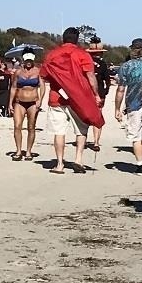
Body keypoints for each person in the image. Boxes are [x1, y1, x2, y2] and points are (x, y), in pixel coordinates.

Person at [39, 27, 105, 174]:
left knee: (59, 132)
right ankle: (78, 159)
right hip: (79, 97)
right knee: (81, 129)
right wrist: (96, 95)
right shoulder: (82, 55)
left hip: (57, 97)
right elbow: (90, 76)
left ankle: (60, 164)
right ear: (77, 39)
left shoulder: (51, 55)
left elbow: (43, 76)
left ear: (63, 38)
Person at [111, 39, 142, 169]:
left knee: (135, 136)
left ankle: (140, 164)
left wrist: (117, 108)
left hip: (133, 104)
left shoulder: (126, 66)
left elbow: (121, 90)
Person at [8, 53, 43, 159]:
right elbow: (13, 87)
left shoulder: (38, 71)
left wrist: (40, 100)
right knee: (17, 126)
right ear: (23, 60)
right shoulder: (18, 72)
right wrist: (10, 103)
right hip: (19, 102)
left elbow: (42, 86)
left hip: (33, 102)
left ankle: (28, 151)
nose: (28, 62)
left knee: (31, 127)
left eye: (30, 60)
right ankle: (18, 151)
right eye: (26, 60)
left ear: (33, 60)